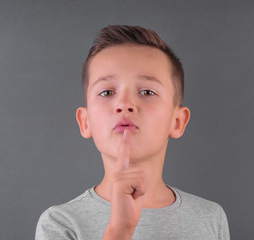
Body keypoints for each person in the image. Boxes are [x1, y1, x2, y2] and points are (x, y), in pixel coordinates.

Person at [35, 25, 230, 240]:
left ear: (177, 121)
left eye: (147, 91)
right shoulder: (61, 223)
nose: (125, 104)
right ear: (85, 121)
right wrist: (119, 230)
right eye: (107, 92)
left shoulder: (210, 217)